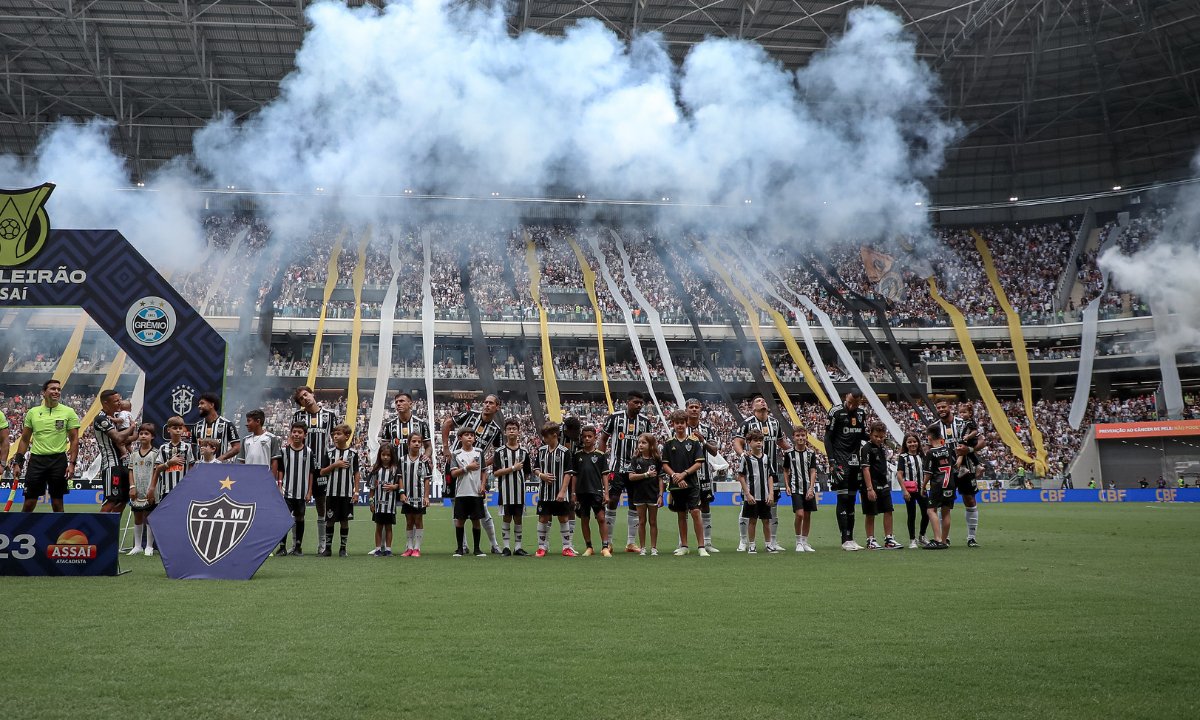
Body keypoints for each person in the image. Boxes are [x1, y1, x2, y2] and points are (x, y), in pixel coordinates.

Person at [441, 394, 504, 554]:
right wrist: (446, 448)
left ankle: (494, 544)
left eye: (491, 403)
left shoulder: (496, 430)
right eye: (486, 402)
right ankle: (463, 546)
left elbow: (498, 453)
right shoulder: (470, 415)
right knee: (457, 508)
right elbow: (447, 423)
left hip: (477, 474)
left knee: (483, 509)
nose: (487, 405)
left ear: (497, 407)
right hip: (455, 467)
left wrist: (483, 464)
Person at [13, 379, 80, 513]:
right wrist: (18, 462)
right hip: (37, 460)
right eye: (53, 389)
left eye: (58, 389)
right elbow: (25, 439)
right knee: (29, 503)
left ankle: (59, 534)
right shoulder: (33, 412)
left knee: (57, 504)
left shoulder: (68, 412)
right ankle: (22, 532)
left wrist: (72, 463)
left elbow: (74, 440)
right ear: (43, 392)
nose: (56, 391)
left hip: (58, 461)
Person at [733, 394, 791, 551]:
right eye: (758, 401)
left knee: (772, 507)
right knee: (747, 508)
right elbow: (737, 441)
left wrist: (792, 450)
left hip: (770, 471)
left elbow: (780, 441)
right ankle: (744, 541)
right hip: (752, 473)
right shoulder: (747, 423)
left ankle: (772, 541)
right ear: (753, 407)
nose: (762, 401)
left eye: (763, 400)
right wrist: (742, 454)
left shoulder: (775, 422)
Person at [600, 391, 653, 553]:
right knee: (613, 500)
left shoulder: (645, 422)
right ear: (627, 402)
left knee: (634, 503)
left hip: (636, 469)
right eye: (635, 402)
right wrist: (602, 462)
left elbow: (650, 444)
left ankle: (630, 543)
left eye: (641, 403)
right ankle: (608, 542)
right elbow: (603, 439)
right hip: (616, 467)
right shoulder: (615, 418)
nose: (639, 405)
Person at [292, 386, 340, 554]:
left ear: (312, 394)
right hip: (301, 467)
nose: (304, 398)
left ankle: (322, 545)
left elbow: (337, 439)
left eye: (306, 394)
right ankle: (295, 545)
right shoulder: (298, 416)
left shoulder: (330, 416)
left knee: (322, 506)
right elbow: (293, 439)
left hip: (322, 467)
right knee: (297, 507)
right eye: (301, 399)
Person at [934, 398, 984, 548]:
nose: (941, 409)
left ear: (949, 407)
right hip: (945, 470)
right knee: (944, 504)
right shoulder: (935, 427)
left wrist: (969, 450)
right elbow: (929, 447)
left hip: (966, 468)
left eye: (944, 406)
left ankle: (971, 537)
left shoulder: (963, 423)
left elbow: (982, 441)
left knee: (969, 500)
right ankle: (945, 538)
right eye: (939, 408)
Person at [824, 390, 868, 551]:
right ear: (846, 397)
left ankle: (851, 537)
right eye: (849, 402)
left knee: (851, 500)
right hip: (840, 461)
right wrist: (831, 461)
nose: (851, 406)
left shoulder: (862, 414)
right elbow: (827, 437)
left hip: (855, 461)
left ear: (860, 402)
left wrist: (878, 438)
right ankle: (844, 539)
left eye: (854, 404)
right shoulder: (835, 412)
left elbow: (862, 434)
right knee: (842, 498)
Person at [662, 410, 707, 557]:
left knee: (695, 512)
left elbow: (699, 463)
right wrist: (675, 475)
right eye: (677, 423)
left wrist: (684, 474)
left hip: (692, 483)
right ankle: (684, 545)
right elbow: (665, 465)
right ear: (673, 424)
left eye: (682, 422)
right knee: (681, 514)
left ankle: (701, 546)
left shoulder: (693, 442)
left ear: (686, 424)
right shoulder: (669, 443)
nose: (680, 425)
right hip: (676, 483)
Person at [533, 422, 575, 558]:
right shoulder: (541, 451)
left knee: (563, 518)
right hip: (544, 493)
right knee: (543, 518)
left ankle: (566, 547)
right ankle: (541, 548)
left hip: (559, 492)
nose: (544, 439)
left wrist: (563, 491)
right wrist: (542, 475)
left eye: (546, 437)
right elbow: (535, 468)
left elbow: (568, 473)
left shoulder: (565, 452)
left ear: (554, 435)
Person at [685, 398, 721, 553]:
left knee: (705, 506)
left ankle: (707, 543)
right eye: (691, 407)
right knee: (684, 507)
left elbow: (714, 451)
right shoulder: (680, 427)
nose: (694, 409)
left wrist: (703, 440)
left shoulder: (707, 429)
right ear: (686, 409)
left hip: (705, 473)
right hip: (686, 474)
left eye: (696, 407)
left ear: (700, 410)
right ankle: (683, 543)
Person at [318, 424, 360, 557]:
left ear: (347, 436)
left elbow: (356, 473)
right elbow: (322, 472)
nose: (335, 436)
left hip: (346, 493)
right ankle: (328, 549)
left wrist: (356, 492)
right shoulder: (329, 453)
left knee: (344, 521)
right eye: (334, 434)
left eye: (338, 434)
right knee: (329, 520)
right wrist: (335, 465)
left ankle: (343, 549)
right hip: (331, 493)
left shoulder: (353, 454)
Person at [492, 418, 532, 556]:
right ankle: (507, 547)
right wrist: (513, 468)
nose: (511, 431)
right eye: (509, 429)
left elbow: (527, 473)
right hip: (505, 491)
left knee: (519, 518)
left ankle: (518, 547)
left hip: (520, 492)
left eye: (514, 428)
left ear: (519, 432)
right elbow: (496, 472)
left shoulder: (524, 452)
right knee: (507, 517)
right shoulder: (500, 452)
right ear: (505, 432)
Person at [276, 421, 315, 556]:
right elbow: (281, 470)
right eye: (294, 432)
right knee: (283, 519)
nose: (296, 434)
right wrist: (280, 486)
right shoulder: (284, 451)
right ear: (291, 433)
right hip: (286, 492)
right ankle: (282, 547)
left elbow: (311, 472)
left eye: (299, 432)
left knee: (300, 518)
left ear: (305, 435)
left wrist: (309, 491)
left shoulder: (308, 452)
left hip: (301, 492)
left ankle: (298, 546)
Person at [860, 420, 901, 549]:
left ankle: (889, 538)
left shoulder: (882, 447)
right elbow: (865, 469)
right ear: (870, 434)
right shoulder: (866, 448)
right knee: (871, 513)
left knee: (888, 510)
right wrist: (869, 489)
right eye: (876, 436)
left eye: (881, 437)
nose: (879, 439)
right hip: (871, 485)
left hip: (883, 483)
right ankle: (870, 540)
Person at [448, 427, 487, 557]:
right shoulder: (456, 454)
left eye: (471, 435)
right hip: (461, 492)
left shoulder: (479, 452)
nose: (469, 437)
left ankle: (477, 549)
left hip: (476, 492)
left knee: (476, 521)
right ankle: (460, 549)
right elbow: (453, 473)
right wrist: (467, 468)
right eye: (466, 435)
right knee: (460, 520)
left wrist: (482, 485)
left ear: (475, 438)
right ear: (460, 438)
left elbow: (484, 471)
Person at [572, 426, 611, 557]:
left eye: (590, 436)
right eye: (585, 436)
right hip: (582, 492)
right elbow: (574, 475)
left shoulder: (600, 455)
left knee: (601, 518)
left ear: (595, 438)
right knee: (584, 519)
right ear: (582, 438)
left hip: (596, 491)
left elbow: (604, 475)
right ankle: (589, 547)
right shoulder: (577, 455)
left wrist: (606, 493)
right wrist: (573, 493)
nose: (587, 439)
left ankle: (605, 546)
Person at [94, 389, 135, 514]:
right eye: (116, 401)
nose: (119, 403)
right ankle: (100, 533)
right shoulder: (101, 418)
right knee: (111, 500)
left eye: (120, 399)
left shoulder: (117, 417)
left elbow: (126, 439)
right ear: (106, 403)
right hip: (111, 465)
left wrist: (133, 434)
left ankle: (112, 531)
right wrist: (132, 427)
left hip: (123, 464)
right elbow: (118, 438)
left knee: (122, 501)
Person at [736, 430, 776, 554]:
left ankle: (768, 544)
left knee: (766, 521)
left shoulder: (766, 458)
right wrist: (747, 493)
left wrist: (771, 493)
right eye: (756, 440)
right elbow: (741, 476)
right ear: (749, 442)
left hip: (765, 496)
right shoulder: (746, 458)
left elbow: (770, 475)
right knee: (752, 521)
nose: (759, 443)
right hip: (752, 496)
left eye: (760, 440)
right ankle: (752, 545)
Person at [626, 433, 664, 556]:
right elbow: (631, 477)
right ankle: (642, 548)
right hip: (639, 494)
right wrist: (646, 475)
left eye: (644, 443)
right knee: (641, 521)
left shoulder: (657, 460)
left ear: (651, 445)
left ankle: (654, 548)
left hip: (653, 494)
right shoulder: (635, 459)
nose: (640, 445)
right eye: (639, 443)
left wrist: (661, 495)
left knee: (653, 522)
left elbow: (660, 479)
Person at [782, 426, 819, 553]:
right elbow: (786, 470)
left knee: (808, 515)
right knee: (800, 514)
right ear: (793, 437)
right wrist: (787, 485)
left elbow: (813, 471)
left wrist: (811, 488)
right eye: (798, 436)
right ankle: (798, 541)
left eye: (802, 435)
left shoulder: (811, 453)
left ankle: (805, 541)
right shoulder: (789, 453)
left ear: (806, 437)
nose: (800, 438)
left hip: (808, 488)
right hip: (795, 488)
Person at [921, 423, 957, 550]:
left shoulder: (931, 452)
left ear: (930, 437)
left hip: (938, 485)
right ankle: (944, 540)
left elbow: (928, 473)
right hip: (950, 484)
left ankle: (937, 539)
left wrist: (923, 486)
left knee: (931, 510)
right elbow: (955, 463)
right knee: (946, 511)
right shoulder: (948, 449)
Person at [126, 423, 159, 556]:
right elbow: (130, 471)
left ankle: (149, 546)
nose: (143, 436)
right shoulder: (134, 454)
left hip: (150, 490)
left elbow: (157, 472)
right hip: (137, 490)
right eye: (141, 433)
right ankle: (138, 545)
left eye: (147, 434)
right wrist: (132, 486)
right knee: (137, 516)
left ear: (152, 437)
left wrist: (152, 488)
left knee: (149, 516)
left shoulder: (155, 453)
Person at [150, 416, 195, 506]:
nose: (178, 430)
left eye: (180, 428)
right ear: (168, 430)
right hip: (166, 489)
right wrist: (169, 463)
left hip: (183, 489)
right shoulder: (163, 448)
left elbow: (191, 468)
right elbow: (157, 468)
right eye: (175, 428)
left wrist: (190, 486)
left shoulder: (187, 447)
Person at [399, 433, 432, 557]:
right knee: (408, 521)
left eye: (419, 441)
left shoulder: (424, 460)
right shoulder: (402, 460)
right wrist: (401, 493)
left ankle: (417, 548)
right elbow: (400, 477)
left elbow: (427, 479)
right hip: (407, 497)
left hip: (419, 496)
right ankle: (409, 547)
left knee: (418, 520)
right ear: (408, 444)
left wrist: (426, 497)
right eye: (414, 441)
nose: (417, 443)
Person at [896, 432, 930, 549]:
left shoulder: (922, 455)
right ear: (906, 444)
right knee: (912, 515)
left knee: (927, 513)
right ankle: (912, 539)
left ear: (918, 443)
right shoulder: (903, 457)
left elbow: (926, 472)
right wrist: (904, 491)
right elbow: (899, 475)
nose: (912, 444)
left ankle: (922, 535)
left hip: (922, 489)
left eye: (914, 441)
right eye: (909, 442)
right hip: (909, 490)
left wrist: (925, 486)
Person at [368, 443, 401, 557]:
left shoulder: (395, 470)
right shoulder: (376, 470)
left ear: (392, 456)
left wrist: (394, 487)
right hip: (378, 505)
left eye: (388, 455)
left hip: (390, 506)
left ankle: (388, 549)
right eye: (383, 455)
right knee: (378, 527)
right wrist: (371, 501)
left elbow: (400, 485)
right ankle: (377, 549)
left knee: (388, 527)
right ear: (380, 455)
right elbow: (372, 488)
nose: (385, 457)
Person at [378, 391, 431, 457]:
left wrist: (425, 457)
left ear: (410, 404)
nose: (398, 404)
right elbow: (384, 449)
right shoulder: (388, 425)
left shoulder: (422, 424)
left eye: (401, 401)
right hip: (396, 465)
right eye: (396, 402)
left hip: (415, 465)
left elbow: (428, 446)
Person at [193, 392, 241, 462]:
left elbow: (237, 447)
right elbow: (193, 447)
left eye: (202, 403)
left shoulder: (227, 424)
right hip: (201, 468)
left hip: (220, 468)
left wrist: (220, 459)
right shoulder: (197, 426)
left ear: (211, 405)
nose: (199, 406)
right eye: (199, 404)